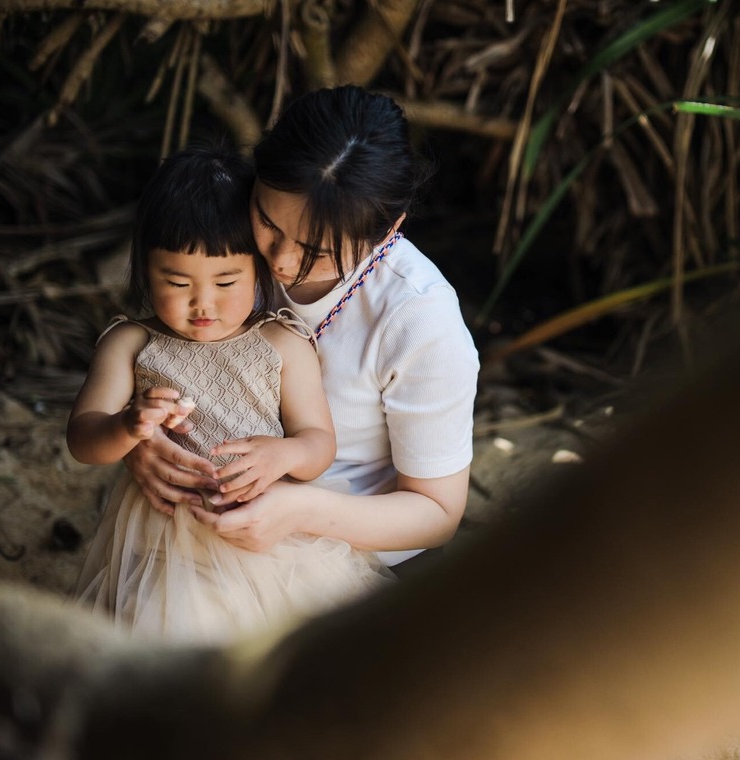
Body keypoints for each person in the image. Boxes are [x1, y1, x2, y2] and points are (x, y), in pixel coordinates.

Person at [124, 85, 479, 579]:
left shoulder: (419, 319)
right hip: (207, 524)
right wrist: (143, 443)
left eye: (321, 252)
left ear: (390, 227)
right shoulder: (226, 229)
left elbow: (437, 514)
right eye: (269, 224)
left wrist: (300, 510)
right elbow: (162, 354)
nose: (283, 261)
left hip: (356, 555)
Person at [69, 144, 393, 643]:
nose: (204, 304)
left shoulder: (281, 343)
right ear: (144, 269)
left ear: (258, 271)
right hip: (162, 545)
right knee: (165, 633)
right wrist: (127, 426)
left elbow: (318, 444)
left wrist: (284, 453)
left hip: (267, 539)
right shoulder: (130, 344)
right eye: (177, 282)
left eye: (226, 281)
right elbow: (83, 439)